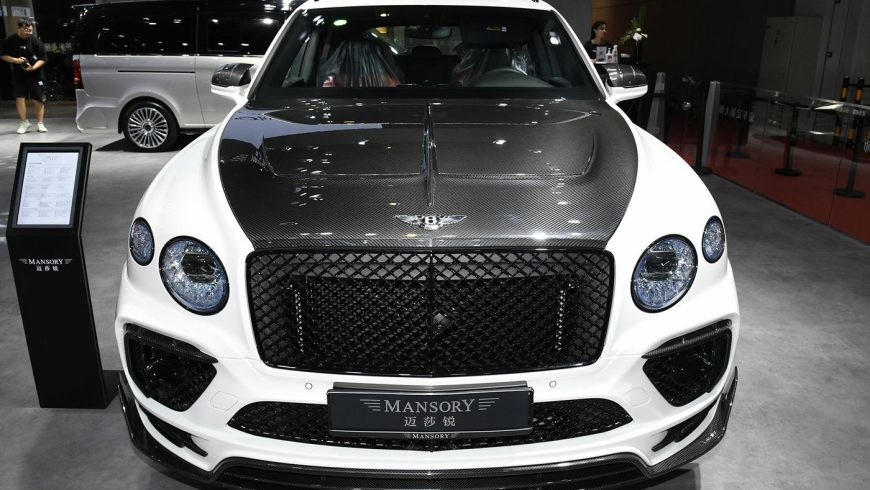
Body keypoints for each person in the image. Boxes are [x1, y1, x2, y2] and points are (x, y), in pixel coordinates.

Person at [1, 17, 48, 134]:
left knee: (38, 99)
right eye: (26, 30)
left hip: (36, 75)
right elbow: (3, 55)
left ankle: (40, 123)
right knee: (19, 98)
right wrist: (16, 60)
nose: (29, 32)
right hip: (18, 75)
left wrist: (33, 67)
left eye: (30, 30)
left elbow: (43, 59)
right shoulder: (9, 40)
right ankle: (24, 122)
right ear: (18, 28)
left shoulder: (36, 41)